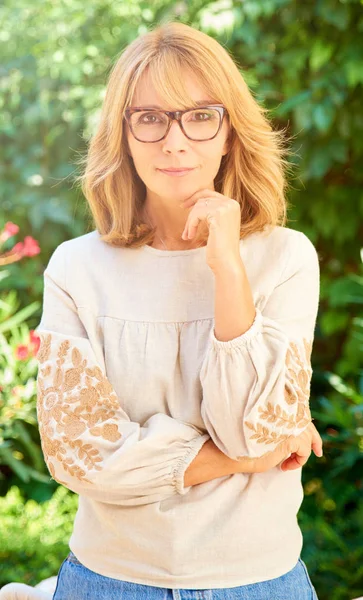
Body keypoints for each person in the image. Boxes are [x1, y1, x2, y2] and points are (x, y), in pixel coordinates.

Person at [33, 20, 323, 600]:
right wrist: (242, 462)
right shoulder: (75, 268)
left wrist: (228, 270)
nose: (175, 141)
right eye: (150, 117)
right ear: (123, 133)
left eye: (199, 116)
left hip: (260, 582)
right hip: (109, 582)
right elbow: (79, 455)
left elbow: (248, 427)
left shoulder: (287, 259)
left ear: (228, 133)